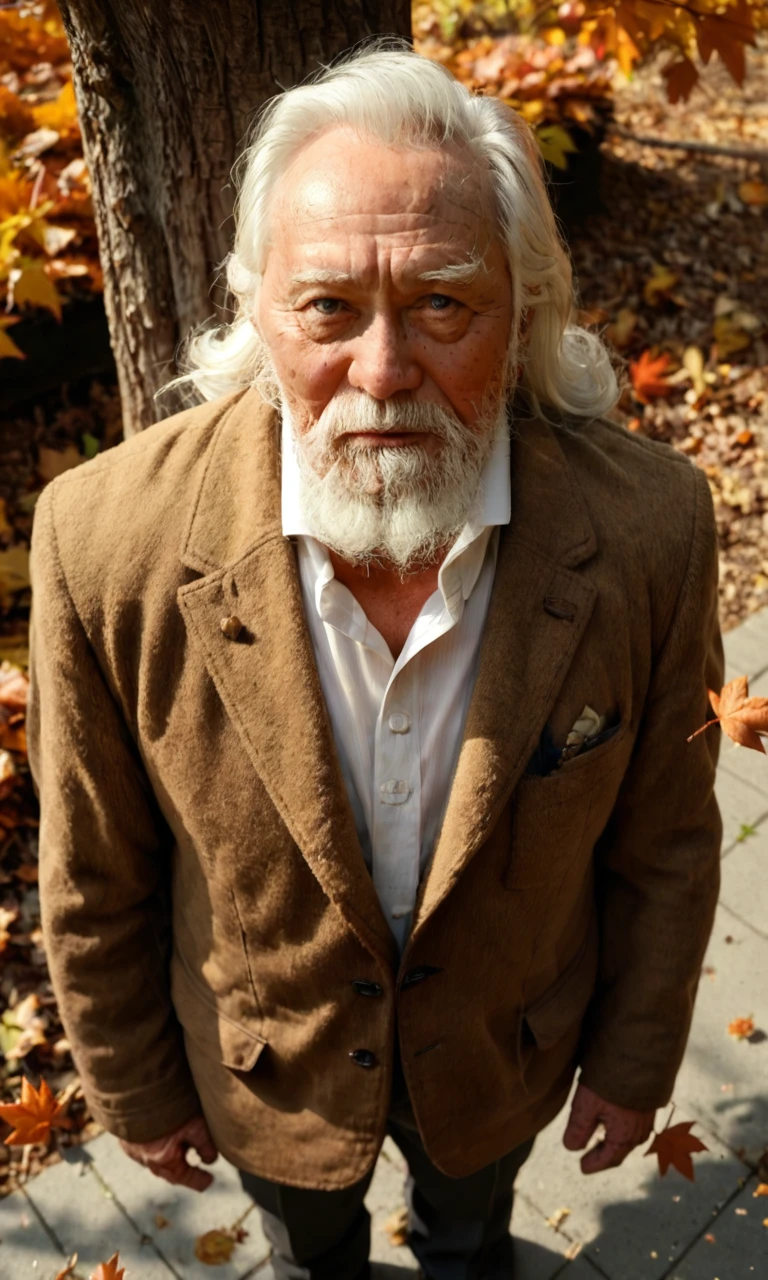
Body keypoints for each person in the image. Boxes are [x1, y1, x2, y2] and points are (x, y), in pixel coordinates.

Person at [27, 41, 723, 1280]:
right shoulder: (101, 542)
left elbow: (666, 840)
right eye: (329, 308)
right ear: (259, 309)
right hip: (266, 1075)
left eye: (444, 302)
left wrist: (630, 1060)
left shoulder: (651, 532)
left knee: (472, 1241)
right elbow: (94, 870)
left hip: (507, 1052)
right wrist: (135, 1083)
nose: (384, 371)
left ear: (522, 311)